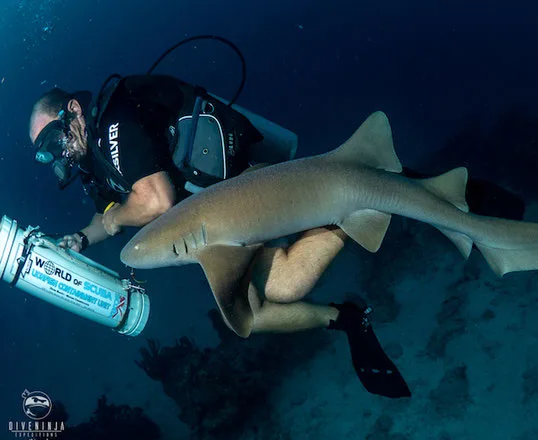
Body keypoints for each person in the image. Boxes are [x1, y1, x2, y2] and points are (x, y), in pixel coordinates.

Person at [28, 74, 413, 398]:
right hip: (211, 222)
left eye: (51, 142)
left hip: (243, 182)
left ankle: (370, 197)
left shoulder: (115, 120)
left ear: (73, 111)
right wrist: (80, 238)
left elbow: (156, 200)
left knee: (284, 284)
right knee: (246, 319)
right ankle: (345, 318)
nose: (55, 155)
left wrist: (115, 223)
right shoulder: (93, 166)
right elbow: (107, 214)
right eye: (44, 155)